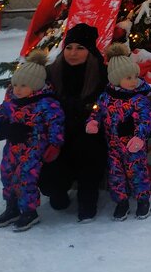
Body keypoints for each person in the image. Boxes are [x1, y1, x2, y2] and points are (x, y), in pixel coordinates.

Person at [0, 50, 64, 231]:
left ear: (36, 85)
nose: (17, 89)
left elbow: (56, 124)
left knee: (26, 177)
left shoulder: (46, 103)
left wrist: (54, 144)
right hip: (13, 147)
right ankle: (12, 207)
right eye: (15, 84)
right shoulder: (11, 102)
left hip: (34, 148)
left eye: (23, 85)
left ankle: (29, 211)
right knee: (7, 174)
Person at [37, 23, 107, 222]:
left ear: (89, 51)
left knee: (88, 151)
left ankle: (88, 200)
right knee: (51, 178)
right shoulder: (50, 73)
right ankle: (58, 192)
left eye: (80, 48)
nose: (73, 53)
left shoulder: (101, 74)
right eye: (69, 47)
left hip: (89, 136)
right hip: (57, 135)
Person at [87, 42, 151, 221]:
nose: (134, 81)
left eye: (135, 76)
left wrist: (139, 137)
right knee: (116, 174)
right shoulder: (106, 97)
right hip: (113, 146)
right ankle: (121, 202)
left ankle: (143, 200)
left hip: (133, 146)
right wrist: (93, 121)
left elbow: (145, 119)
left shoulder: (139, 99)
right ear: (115, 79)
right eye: (128, 77)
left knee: (137, 172)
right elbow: (97, 110)